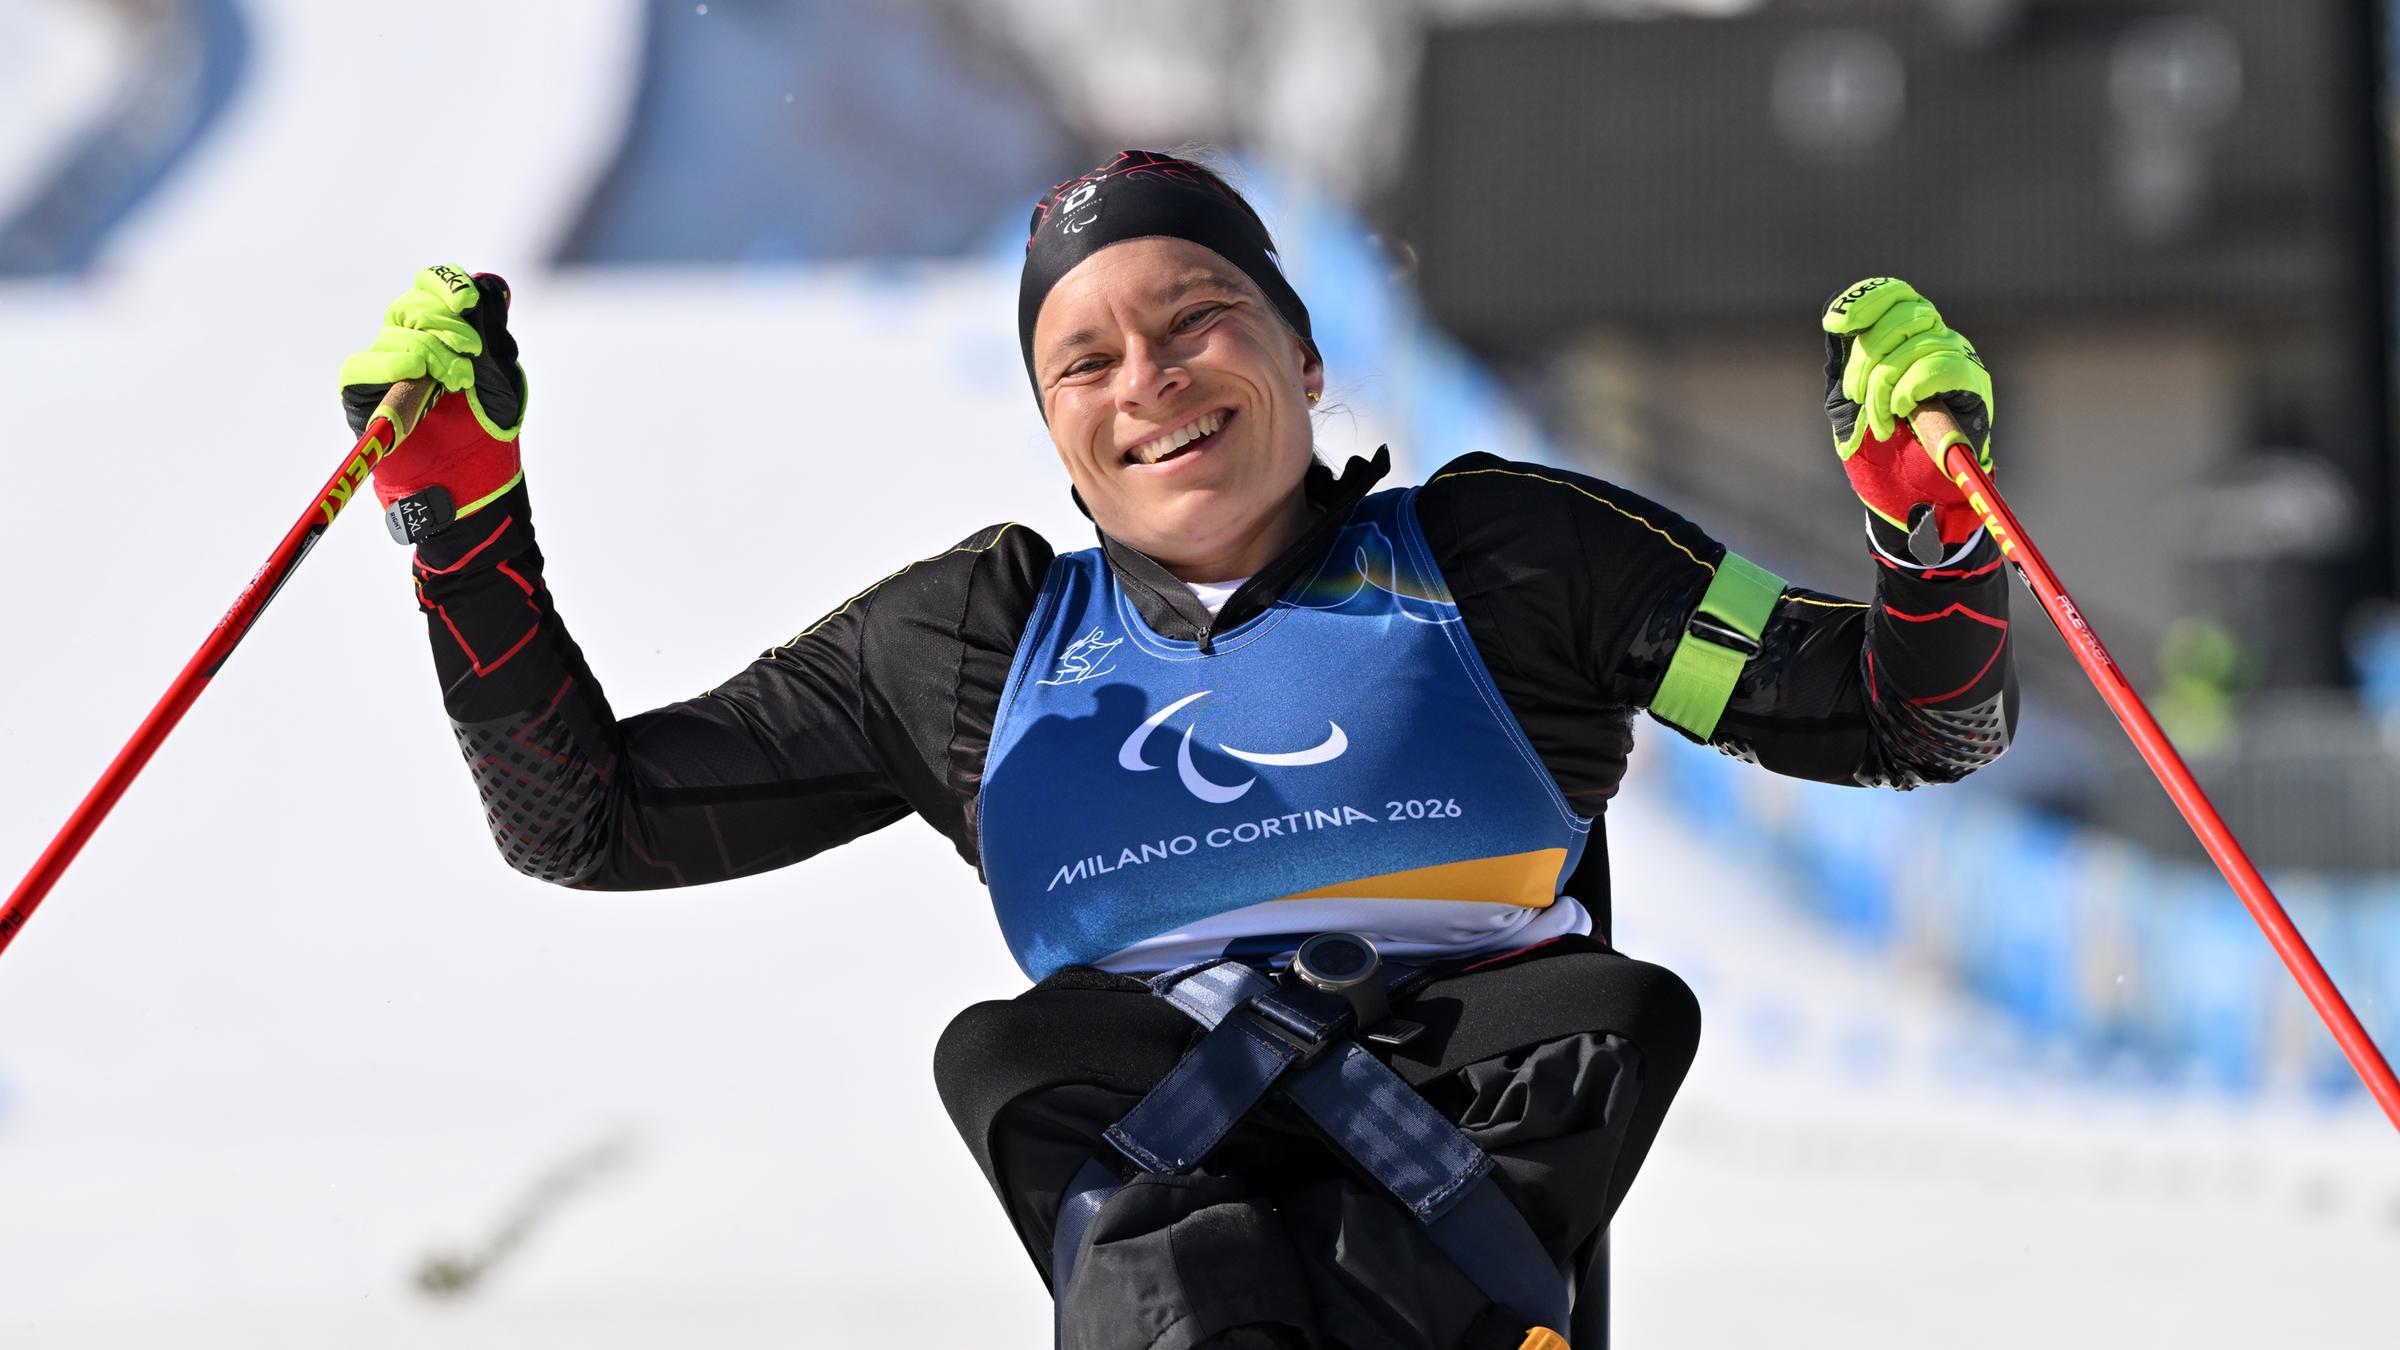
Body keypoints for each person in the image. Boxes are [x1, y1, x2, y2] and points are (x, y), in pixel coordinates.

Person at [338, 151, 2013, 1350]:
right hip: (1158, 1190)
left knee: (1607, 1012)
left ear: (1302, 353)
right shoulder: (970, 647)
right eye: (1086, 356)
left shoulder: (1511, 559)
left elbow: (1909, 713)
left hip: (1468, 1178)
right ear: (1059, 430)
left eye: (1200, 317)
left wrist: (1939, 549)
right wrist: (459, 529)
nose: (1150, 376)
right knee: (1015, 1052)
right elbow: (591, 818)